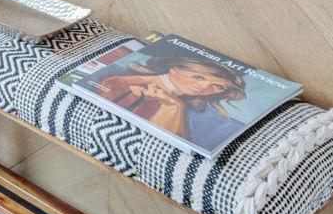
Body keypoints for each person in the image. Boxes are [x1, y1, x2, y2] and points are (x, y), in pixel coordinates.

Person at [94, 55, 246, 151]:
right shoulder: (120, 84)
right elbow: (149, 146)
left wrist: (174, 107)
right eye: (199, 77)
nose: (204, 87)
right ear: (174, 67)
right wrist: (172, 108)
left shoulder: (178, 103)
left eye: (218, 86)